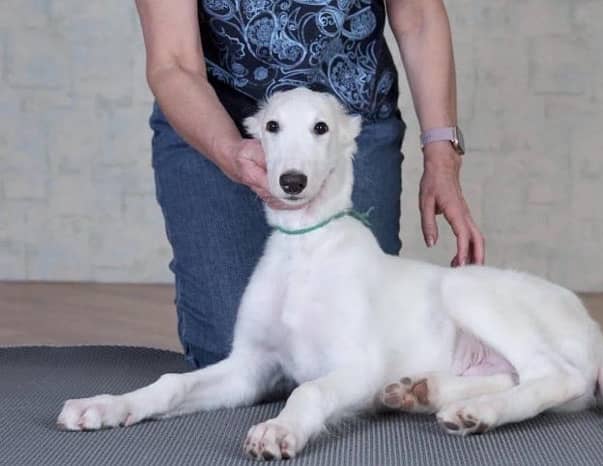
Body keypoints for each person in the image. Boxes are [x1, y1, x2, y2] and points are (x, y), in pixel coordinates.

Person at [135, 0, 485, 368]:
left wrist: (442, 154)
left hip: (345, 119)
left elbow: (418, 15)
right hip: (216, 117)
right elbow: (172, 62)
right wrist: (229, 150)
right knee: (232, 355)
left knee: (353, 339)